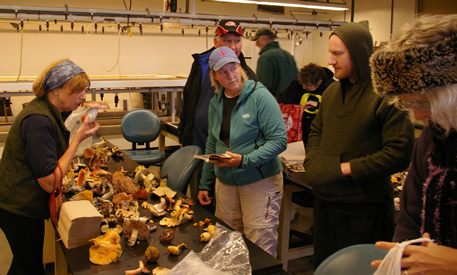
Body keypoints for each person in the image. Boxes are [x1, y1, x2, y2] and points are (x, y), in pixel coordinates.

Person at [303, 21, 415, 268]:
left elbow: (399, 152)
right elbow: (316, 131)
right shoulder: (331, 93)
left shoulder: (387, 95)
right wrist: (313, 162)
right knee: (326, 267)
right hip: (325, 207)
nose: (330, 61)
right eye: (330, 53)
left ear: (359, 52)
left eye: (337, 53)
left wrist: (345, 169)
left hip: (364, 211)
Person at [369, 14, 457, 274]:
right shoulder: (434, 140)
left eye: (425, 103)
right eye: (410, 104)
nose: (417, 116)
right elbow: (409, 221)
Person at [0, 59, 100, 274]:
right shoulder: (39, 121)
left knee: (22, 263)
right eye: (78, 91)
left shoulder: (47, 111)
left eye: (85, 90)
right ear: (56, 90)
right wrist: (78, 139)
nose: (83, 96)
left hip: (19, 203)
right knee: (30, 268)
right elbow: (49, 182)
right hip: (19, 208)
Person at [197, 47, 287, 257]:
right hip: (226, 183)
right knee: (227, 242)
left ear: (240, 67)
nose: (230, 76)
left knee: (259, 243)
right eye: (223, 72)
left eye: (233, 68)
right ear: (215, 76)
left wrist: (245, 160)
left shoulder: (260, 97)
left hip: (259, 180)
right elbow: (212, 144)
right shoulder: (216, 102)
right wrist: (204, 183)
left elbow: (279, 140)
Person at [178, 20, 257, 211]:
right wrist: (184, 134)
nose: (232, 46)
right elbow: (188, 98)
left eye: (237, 41)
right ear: (216, 42)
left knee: (225, 207)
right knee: (200, 197)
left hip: (227, 151)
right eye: (227, 40)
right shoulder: (201, 65)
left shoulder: (248, 76)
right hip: (199, 143)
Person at [276, 63, 334, 148]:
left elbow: (337, 109)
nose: (304, 87)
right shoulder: (297, 84)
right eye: (302, 84)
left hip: (321, 136)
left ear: (319, 82)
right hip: (299, 135)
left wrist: (318, 105)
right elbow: (280, 100)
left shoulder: (332, 88)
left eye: (307, 86)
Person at [252, 27, 298, 96]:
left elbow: (264, 86)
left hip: (274, 103)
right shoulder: (288, 55)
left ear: (264, 39)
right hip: (291, 103)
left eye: (257, 41)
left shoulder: (265, 57)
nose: (256, 44)